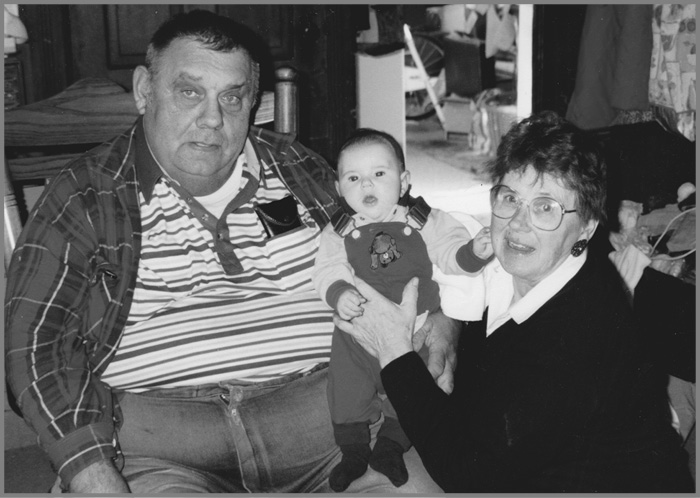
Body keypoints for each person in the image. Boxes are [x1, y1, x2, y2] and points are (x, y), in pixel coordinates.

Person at [4, 10, 459, 494]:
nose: (212, 119)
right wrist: (91, 473)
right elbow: (34, 344)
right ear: (144, 91)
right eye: (189, 92)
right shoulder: (83, 196)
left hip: (336, 426)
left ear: (253, 103)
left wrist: (447, 322)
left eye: (232, 96)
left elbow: (420, 241)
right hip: (159, 450)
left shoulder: (298, 168)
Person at [335, 111, 695, 492]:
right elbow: (474, 298)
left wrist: (393, 348)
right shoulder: (518, 264)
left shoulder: (579, 335)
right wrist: (449, 322)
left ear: (587, 227)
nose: (517, 223)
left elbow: (469, 476)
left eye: (546, 207)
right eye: (509, 198)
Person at [313, 128, 492, 491]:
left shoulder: (424, 219)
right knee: (345, 384)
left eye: (380, 174)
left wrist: (473, 254)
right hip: (358, 332)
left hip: (418, 329)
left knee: (419, 386)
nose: (368, 185)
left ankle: (391, 446)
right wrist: (338, 292)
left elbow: (449, 249)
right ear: (339, 188)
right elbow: (326, 268)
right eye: (354, 178)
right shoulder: (338, 231)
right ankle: (352, 450)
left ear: (404, 180)